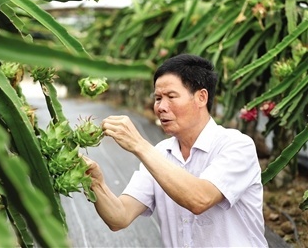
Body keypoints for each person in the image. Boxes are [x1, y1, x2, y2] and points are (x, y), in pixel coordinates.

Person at [82, 54, 268, 247]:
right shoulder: (160, 153)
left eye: (171, 97)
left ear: (201, 97)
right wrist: (96, 183)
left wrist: (139, 144)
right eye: (157, 98)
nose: (161, 107)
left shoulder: (236, 145)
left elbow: (200, 199)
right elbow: (119, 217)